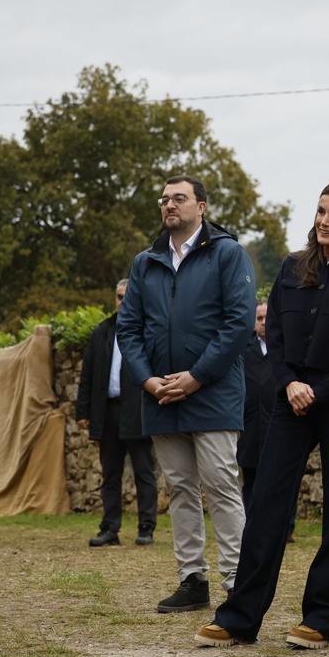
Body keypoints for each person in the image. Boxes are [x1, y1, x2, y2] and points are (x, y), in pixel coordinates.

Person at [195, 180, 329, 649]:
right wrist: (289, 383)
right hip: (290, 398)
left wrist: (318, 389)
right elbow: (273, 337)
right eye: (321, 211)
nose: (325, 221)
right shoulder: (292, 267)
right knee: (266, 506)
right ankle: (239, 617)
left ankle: (324, 619)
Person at [117, 175, 255, 612]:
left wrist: (196, 376)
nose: (169, 205)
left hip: (212, 393)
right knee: (178, 487)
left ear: (202, 207)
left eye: (179, 198)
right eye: (164, 199)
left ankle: (237, 583)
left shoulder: (227, 253)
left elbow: (238, 323)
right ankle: (192, 580)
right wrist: (147, 380)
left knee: (221, 487)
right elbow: (129, 327)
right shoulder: (146, 262)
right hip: (160, 394)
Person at [76, 278, 157, 547]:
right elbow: (87, 374)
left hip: (138, 410)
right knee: (110, 473)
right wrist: (83, 411)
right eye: (119, 297)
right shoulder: (101, 332)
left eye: (127, 297)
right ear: (115, 299)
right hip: (108, 412)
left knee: (144, 472)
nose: (122, 302)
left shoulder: (147, 332)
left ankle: (146, 528)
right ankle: (110, 528)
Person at [237, 301, 275, 513]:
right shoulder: (243, 350)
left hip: (275, 423)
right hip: (250, 425)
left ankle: (285, 527)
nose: (263, 323)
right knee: (250, 479)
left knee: (279, 476)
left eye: (266, 318)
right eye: (259, 319)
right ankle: (251, 522)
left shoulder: (284, 349)